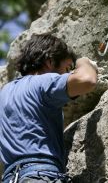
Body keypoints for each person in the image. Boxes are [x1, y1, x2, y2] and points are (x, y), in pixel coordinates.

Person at [0, 33, 97, 183]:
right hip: (41, 176)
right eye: (67, 68)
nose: (68, 74)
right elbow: (87, 80)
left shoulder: (5, 92)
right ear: (50, 62)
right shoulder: (43, 81)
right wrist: (83, 62)